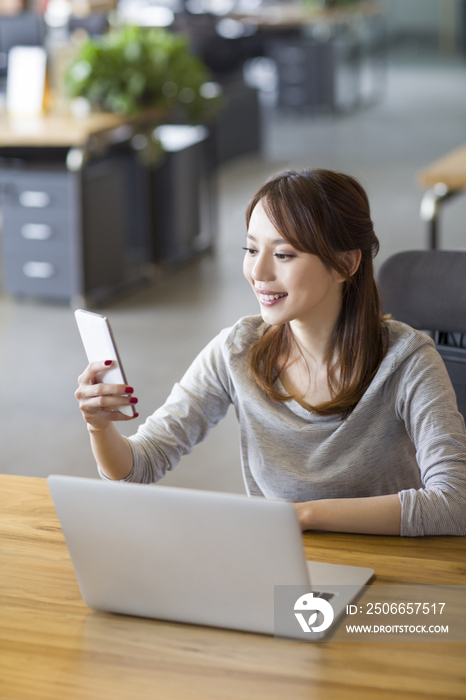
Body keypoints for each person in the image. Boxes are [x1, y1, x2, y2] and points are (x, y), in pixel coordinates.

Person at [76, 168, 466, 537]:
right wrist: (100, 426)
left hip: (393, 573)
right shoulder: (238, 351)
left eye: (283, 254)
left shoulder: (408, 362)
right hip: (285, 566)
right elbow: (138, 467)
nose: (258, 272)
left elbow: (455, 503)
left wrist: (306, 514)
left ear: (345, 263)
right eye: (250, 249)